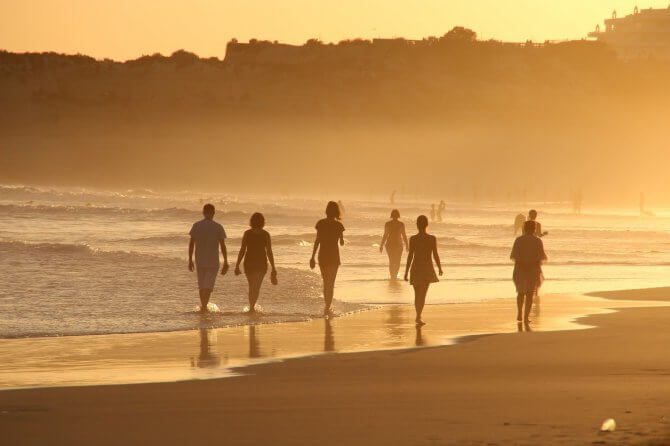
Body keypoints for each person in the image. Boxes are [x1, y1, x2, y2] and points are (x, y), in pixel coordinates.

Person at [188, 203, 228, 312]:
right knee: (208, 286)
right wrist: (226, 261)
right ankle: (204, 307)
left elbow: (191, 243)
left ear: (203, 212)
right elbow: (222, 246)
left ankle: (203, 307)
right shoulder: (218, 227)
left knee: (201, 285)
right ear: (213, 213)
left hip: (199, 260)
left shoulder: (196, 225)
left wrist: (190, 259)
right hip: (213, 261)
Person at [234, 212, 277, 313]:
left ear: (251, 222)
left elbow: (242, 250)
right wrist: (273, 267)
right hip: (261, 263)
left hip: (249, 263)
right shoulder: (265, 234)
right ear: (263, 222)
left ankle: (251, 307)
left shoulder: (247, 233)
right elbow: (269, 252)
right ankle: (252, 307)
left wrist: (237, 265)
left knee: (251, 286)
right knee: (256, 287)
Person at [404, 215, 443, 326]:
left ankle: (418, 316)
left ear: (417, 225)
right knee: (423, 294)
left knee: (417, 294)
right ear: (427, 225)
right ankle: (418, 316)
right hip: (427, 268)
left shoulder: (413, 239)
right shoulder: (431, 238)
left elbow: (410, 256)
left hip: (415, 268)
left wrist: (406, 272)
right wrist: (439, 267)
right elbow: (435, 255)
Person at [310, 201, 345, 316]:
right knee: (331, 282)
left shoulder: (320, 223)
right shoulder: (339, 225)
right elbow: (341, 242)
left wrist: (312, 257)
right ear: (336, 212)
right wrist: (340, 238)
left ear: (326, 210)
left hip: (323, 256)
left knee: (326, 282)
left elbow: (317, 240)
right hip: (334, 256)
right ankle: (328, 306)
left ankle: (327, 305)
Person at [510, 220, 547, 324]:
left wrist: (522, 263)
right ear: (534, 229)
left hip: (520, 268)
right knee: (530, 294)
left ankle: (519, 313)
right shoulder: (537, 240)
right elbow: (541, 257)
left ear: (524, 228)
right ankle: (526, 317)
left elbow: (514, 256)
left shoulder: (518, 240)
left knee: (520, 292)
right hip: (533, 269)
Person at [380, 209, 409, 280]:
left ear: (391, 215)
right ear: (398, 215)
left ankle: (393, 276)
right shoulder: (401, 224)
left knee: (392, 261)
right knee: (397, 261)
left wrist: (382, 245)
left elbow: (385, 235)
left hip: (390, 244)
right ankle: (394, 276)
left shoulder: (388, 224)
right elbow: (404, 235)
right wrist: (407, 245)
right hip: (398, 245)